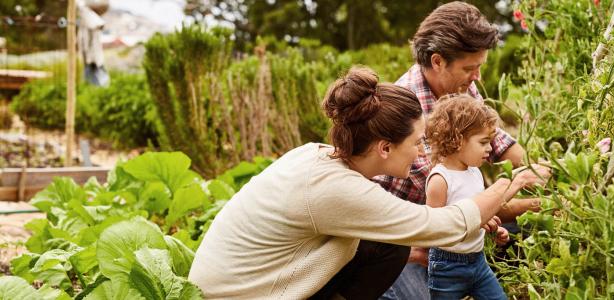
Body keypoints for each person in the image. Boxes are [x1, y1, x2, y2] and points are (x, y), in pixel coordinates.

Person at [188, 67, 550, 299]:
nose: (423, 152)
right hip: (235, 295)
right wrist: (512, 183)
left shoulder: (320, 156)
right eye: (416, 142)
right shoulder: (337, 190)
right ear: (384, 147)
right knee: (389, 245)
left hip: (258, 276)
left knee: (388, 246)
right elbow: (443, 226)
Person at [379, 3, 541, 299]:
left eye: (479, 67)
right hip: (403, 242)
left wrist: (543, 168)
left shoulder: (457, 88)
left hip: (455, 228)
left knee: (525, 235)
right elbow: (463, 209)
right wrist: (539, 204)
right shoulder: (408, 114)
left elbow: (499, 142)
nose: (477, 76)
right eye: (470, 68)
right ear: (438, 61)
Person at [425, 94, 517, 299]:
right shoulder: (440, 180)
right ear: (458, 140)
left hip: (478, 261)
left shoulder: (474, 171)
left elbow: (475, 212)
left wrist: (491, 227)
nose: (490, 149)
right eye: (483, 142)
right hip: (447, 267)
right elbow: (434, 230)